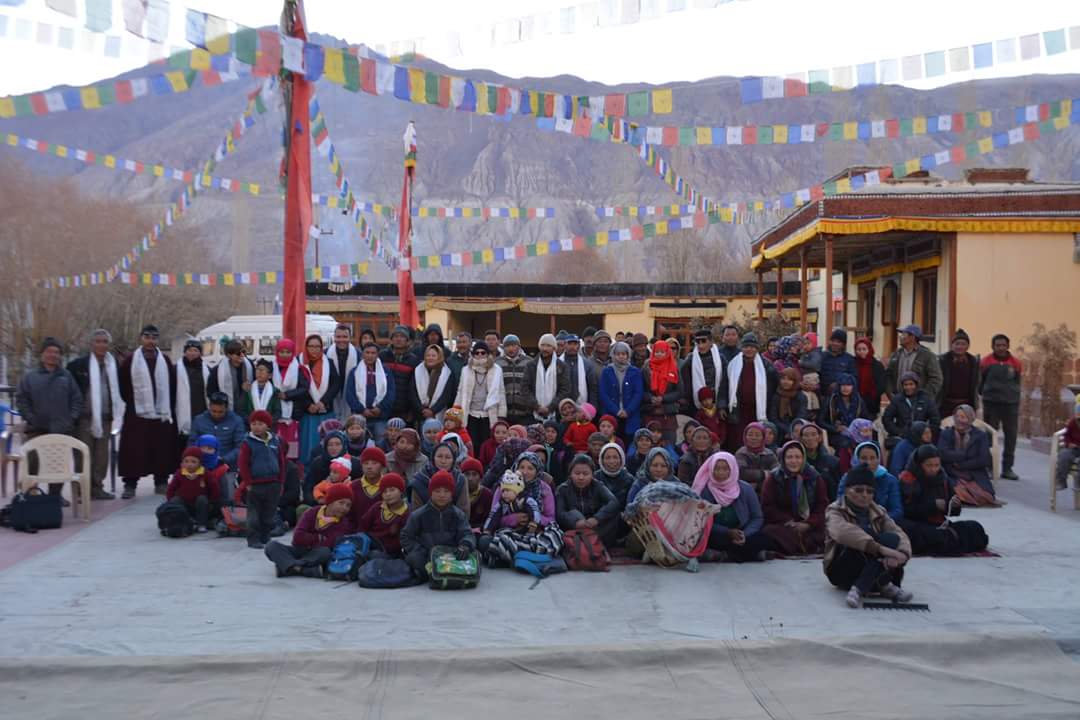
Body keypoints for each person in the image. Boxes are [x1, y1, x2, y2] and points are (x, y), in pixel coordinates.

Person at [824, 463, 913, 608]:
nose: (864, 495)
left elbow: (898, 533)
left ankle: (864, 587)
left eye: (869, 491)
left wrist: (902, 554)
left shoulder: (879, 511)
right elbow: (841, 532)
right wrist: (881, 550)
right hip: (842, 570)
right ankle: (882, 585)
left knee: (892, 538)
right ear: (847, 490)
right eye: (858, 490)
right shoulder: (835, 510)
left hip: (873, 565)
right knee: (864, 534)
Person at [18, 337, 86, 499]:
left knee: (58, 466)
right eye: (49, 351)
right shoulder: (30, 377)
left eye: (56, 352)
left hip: (61, 430)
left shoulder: (66, 376)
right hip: (36, 430)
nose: (53, 355)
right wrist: (31, 418)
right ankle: (31, 495)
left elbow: (77, 400)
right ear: (42, 354)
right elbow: (22, 400)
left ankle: (55, 496)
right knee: (32, 464)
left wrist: (71, 419)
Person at [117, 325, 176, 498]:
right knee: (133, 449)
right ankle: (130, 484)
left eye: (154, 338)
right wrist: (135, 403)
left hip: (161, 412)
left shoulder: (164, 361)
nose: (150, 341)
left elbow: (172, 385)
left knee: (162, 448)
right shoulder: (130, 361)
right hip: (137, 413)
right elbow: (123, 386)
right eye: (147, 337)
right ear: (141, 338)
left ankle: (161, 481)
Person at [897, 444, 987, 556]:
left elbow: (952, 510)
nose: (933, 469)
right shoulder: (908, 479)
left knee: (975, 527)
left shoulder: (942, 479)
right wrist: (933, 505)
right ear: (919, 465)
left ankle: (948, 541)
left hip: (940, 525)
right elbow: (906, 510)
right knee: (912, 531)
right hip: (918, 525)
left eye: (937, 465)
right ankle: (950, 542)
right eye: (929, 465)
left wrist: (954, 506)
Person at [66, 329, 123, 500]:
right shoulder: (78, 365)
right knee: (83, 454)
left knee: (101, 456)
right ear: (92, 344)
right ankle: (81, 489)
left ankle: (97, 487)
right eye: (98, 341)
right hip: (84, 418)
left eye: (105, 342)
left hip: (105, 418)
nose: (101, 345)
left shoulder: (113, 365)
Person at [266, 483, 356, 578]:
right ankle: (303, 569)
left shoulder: (344, 523)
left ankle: (289, 566)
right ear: (330, 501)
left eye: (348, 505)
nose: (344, 508)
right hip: (300, 550)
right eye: (341, 503)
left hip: (316, 555)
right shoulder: (312, 512)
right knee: (271, 546)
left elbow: (329, 543)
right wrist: (318, 538)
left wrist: (309, 538)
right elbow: (297, 537)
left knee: (325, 552)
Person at [692, 451, 769, 563]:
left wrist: (745, 534)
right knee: (704, 539)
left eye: (725, 469)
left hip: (742, 534)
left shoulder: (745, 489)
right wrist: (727, 532)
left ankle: (724, 556)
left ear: (732, 469)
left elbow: (757, 517)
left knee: (763, 538)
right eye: (717, 469)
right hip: (718, 534)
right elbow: (701, 520)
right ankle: (748, 555)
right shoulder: (705, 491)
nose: (721, 473)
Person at [401, 470, 477, 581]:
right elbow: (405, 536)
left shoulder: (458, 514)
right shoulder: (418, 515)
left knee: (472, 555)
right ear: (430, 492)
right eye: (437, 491)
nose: (442, 495)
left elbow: (467, 533)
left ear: (452, 494)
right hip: (428, 556)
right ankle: (435, 574)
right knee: (414, 559)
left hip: (452, 556)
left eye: (446, 491)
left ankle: (447, 575)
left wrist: (465, 545)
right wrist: (419, 550)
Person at [760, 441, 827, 556]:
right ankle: (805, 546)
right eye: (789, 457)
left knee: (829, 531)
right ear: (783, 459)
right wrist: (789, 521)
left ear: (803, 458)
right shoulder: (774, 478)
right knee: (769, 532)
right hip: (785, 524)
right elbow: (768, 507)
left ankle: (797, 547)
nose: (794, 461)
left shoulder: (814, 477)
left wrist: (808, 523)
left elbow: (822, 506)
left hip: (810, 523)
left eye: (798, 457)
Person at [237, 410, 286, 549]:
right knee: (254, 514)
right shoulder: (248, 443)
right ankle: (253, 539)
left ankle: (266, 536)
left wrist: (281, 481)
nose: (256, 427)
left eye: (260, 424)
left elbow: (281, 461)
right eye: (253, 424)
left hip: (273, 483)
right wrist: (247, 482)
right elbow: (243, 464)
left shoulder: (275, 441)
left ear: (268, 426)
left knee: (269, 513)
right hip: (255, 485)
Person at [979, 334, 1022, 480]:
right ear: (993, 346)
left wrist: (1013, 396)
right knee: (990, 436)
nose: (1001, 348)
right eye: (998, 345)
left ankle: (1008, 468)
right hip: (991, 404)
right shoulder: (985, 361)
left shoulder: (1016, 363)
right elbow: (980, 382)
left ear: (1008, 346)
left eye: (1003, 345)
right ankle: (990, 467)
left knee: (1011, 436)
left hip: (1011, 405)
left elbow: (1017, 382)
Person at [188, 392, 246, 496]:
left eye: (221, 412)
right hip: (202, 467)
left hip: (227, 467)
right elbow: (192, 444)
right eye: (213, 411)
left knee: (227, 499)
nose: (217, 414)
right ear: (209, 407)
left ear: (227, 408)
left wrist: (223, 460)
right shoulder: (199, 420)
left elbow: (240, 447)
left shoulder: (237, 421)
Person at [939, 404, 998, 506]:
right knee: (952, 491)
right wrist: (964, 454)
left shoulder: (980, 436)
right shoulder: (947, 433)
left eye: (963, 417)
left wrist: (962, 465)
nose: (959, 420)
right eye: (957, 417)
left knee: (987, 496)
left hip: (974, 474)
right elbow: (942, 453)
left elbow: (984, 459)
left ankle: (964, 498)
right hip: (952, 473)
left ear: (970, 419)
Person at [556, 454, 621, 547]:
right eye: (577, 473)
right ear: (570, 474)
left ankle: (595, 542)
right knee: (574, 513)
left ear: (592, 475)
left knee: (614, 514)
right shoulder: (563, 489)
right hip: (574, 529)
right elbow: (560, 513)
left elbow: (613, 502)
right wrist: (575, 522)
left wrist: (597, 518)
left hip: (594, 527)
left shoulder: (597, 485)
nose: (581, 477)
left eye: (586, 474)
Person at [725, 333, 776, 452]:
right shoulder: (733, 364)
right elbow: (725, 384)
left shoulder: (766, 365)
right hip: (739, 410)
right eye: (746, 346)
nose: (749, 349)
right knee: (738, 440)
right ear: (741, 348)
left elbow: (774, 384)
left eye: (752, 347)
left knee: (757, 438)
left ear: (757, 349)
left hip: (758, 409)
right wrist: (723, 404)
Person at [455, 340, 506, 451]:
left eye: (483, 352)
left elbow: (501, 392)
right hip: (471, 413)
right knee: (472, 444)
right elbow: (460, 391)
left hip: (489, 413)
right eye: (476, 353)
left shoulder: (497, 370)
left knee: (487, 444)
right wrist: (456, 411)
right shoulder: (465, 370)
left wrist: (501, 414)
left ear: (488, 354)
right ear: (472, 354)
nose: (480, 355)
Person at [298, 334, 340, 465]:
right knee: (307, 444)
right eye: (311, 346)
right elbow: (297, 385)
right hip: (307, 413)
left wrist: (323, 401)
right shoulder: (299, 362)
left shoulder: (329, 362)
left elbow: (335, 384)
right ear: (306, 347)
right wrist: (308, 404)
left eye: (317, 346)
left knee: (327, 443)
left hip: (325, 411)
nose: (314, 349)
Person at [837, 442, 902, 520]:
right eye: (864, 458)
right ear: (856, 459)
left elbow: (897, 511)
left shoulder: (890, 480)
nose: (868, 462)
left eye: (872, 458)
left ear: (878, 459)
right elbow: (840, 505)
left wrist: (877, 520)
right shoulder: (847, 478)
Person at [165, 447, 221, 533]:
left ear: (200, 463)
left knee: (202, 499)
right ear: (182, 462)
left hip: (200, 505)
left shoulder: (205, 473)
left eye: (193, 462)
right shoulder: (179, 473)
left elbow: (214, 488)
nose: (189, 464)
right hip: (184, 503)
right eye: (186, 461)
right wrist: (170, 500)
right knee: (176, 500)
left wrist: (212, 502)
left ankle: (201, 524)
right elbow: (171, 488)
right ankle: (180, 522)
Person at [271, 339, 309, 464]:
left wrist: (287, 395)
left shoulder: (298, 368)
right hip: (276, 414)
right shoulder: (271, 367)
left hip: (293, 415)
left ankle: (291, 469)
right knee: (276, 446)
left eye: (288, 352)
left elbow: (304, 388)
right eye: (281, 351)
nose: (284, 354)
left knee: (292, 449)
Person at [409, 441, 470, 515]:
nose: (443, 461)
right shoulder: (420, 480)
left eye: (448, 457)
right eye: (439, 456)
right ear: (433, 458)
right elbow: (416, 514)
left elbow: (464, 512)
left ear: (453, 460)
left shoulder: (459, 480)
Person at [882, 372, 941, 448]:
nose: (908, 387)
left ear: (916, 385)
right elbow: (887, 418)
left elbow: (935, 419)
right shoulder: (897, 400)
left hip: (922, 439)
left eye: (911, 384)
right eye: (905, 385)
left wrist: (926, 434)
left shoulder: (926, 399)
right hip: (902, 438)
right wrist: (898, 432)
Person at [599, 341, 644, 440]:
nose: (621, 356)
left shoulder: (635, 371)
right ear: (613, 355)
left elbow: (638, 393)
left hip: (630, 414)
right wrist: (616, 411)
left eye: (623, 354)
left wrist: (628, 410)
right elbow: (603, 393)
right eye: (618, 354)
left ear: (628, 355)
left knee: (629, 442)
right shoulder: (607, 371)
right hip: (612, 413)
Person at [886, 324, 944, 401]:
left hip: (919, 402)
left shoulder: (927, 355)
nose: (900, 337)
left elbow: (936, 379)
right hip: (899, 400)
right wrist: (890, 394)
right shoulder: (896, 354)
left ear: (912, 337)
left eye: (904, 334)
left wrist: (924, 397)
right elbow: (888, 375)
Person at [358, 473, 410, 556]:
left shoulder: (406, 513)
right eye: (384, 491)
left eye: (392, 490)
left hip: (390, 554)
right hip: (369, 545)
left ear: (401, 491)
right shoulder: (377, 507)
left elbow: (404, 540)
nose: (388, 494)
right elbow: (363, 526)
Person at [640, 338, 681, 445]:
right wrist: (651, 398)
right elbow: (641, 390)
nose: (659, 354)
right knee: (648, 444)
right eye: (657, 351)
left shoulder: (674, 368)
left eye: (662, 352)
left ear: (667, 352)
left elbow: (679, 391)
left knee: (669, 445)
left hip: (668, 413)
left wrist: (663, 398)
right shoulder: (646, 368)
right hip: (650, 412)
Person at [522, 333, 569, 424]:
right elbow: (525, 388)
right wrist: (536, 406)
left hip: (556, 414)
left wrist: (550, 407)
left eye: (548, 346)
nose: (545, 349)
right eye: (542, 345)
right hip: (532, 413)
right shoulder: (531, 365)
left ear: (554, 348)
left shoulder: (562, 366)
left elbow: (565, 390)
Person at [379, 325, 420, 426]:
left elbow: (415, 387)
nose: (398, 339)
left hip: (404, 410)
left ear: (407, 341)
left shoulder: (413, 360)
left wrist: (412, 410)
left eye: (402, 336)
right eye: (396, 336)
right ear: (391, 339)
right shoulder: (382, 356)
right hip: (383, 408)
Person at [819, 373, 869, 456]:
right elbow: (820, 421)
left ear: (853, 386)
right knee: (845, 443)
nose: (845, 388)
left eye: (848, 385)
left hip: (856, 433)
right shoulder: (831, 400)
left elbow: (866, 419)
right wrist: (835, 428)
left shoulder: (859, 401)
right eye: (843, 385)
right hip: (836, 434)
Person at [175, 339, 210, 452]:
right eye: (189, 350)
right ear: (185, 352)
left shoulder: (207, 370)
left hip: (201, 409)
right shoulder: (175, 369)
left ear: (200, 353)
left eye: (195, 350)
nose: (192, 353)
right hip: (181, 412)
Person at [682, 329, 725, 419]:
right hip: (697, 403)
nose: (701, 345)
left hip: (716, 401)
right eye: (698, 342)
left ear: (711, 342)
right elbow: (686, 382)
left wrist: (722, 404)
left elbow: (725, 381)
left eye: (704, 341)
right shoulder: (690, 360)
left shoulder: (720, 358)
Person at [410, 343, 455, 425]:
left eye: (433, 356)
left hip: (438, 413)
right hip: (420, 414)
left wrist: (433, 410)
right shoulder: (417, 370)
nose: (430, 358)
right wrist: (422, 410)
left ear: (439, 357)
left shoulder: (447, 373)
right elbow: (413, 392)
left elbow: (446, 395)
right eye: (428, 355)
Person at [938, 329, 980, 418]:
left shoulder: (973, 361)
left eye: (963, 344)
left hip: (966, 404)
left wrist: (976, 405)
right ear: (952, 345)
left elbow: (976, 384)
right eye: (957, 344)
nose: (960, 347)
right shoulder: (942, 360)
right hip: (945, 404)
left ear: (968, 346)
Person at [207, 340, 254, 415]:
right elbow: (211, 392)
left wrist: (251, 387)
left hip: (247, 409)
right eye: (238, 353)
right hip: (227, 411)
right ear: (229, 355)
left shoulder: (250, 365)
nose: (242, 355)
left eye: (243, 352)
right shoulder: (218, 370)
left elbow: (256, 383)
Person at [324, 325, 359, 421]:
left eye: (345, 337)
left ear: (350, 338)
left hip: (352, 402)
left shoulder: (359, 355)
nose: (341, 340)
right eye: (338, 337)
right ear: (334, 338)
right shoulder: (325, 355)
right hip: (330, 401)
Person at [496, 334, 533, 427]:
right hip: (504, 413)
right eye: (507, 346)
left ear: (519, 347)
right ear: (503, 348)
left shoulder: (529, 362)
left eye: (513, 345)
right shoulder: (497, 363)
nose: (510, 348)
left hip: (525, 413)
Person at [799, 423, 842, 500]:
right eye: (806, 435)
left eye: (813, 434)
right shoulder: (797, 461)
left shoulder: (833, 461)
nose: (810, 438)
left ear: (819, 437)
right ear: (801, 439)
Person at [734, 422, 778, 495]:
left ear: (763, 437)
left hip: (766, 491)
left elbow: (776, 471)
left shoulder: (769, 453)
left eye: (757, 435)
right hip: (745, 492)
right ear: (745, 437)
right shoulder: (741, 453)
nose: (753, 438)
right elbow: (742, 473)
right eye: (750, 435)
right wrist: (764, 474)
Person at [347, 446, 388, 524]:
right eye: (366, 463)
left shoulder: (389, 486)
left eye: (374, 463)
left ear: (382, 466)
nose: (369, 467)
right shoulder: (353, 487)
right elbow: (348, 515)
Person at [768, 367, 807, 442]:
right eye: (783, 379)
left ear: (795, 381)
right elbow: (773, 418)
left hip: (797, 430)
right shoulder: (776, 396)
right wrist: (788, 430)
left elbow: (801, 416)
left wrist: (792, 430)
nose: (785, 382)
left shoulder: (801, 397)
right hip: (780, 430)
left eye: (789, 379)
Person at [560, 334, 599, 409]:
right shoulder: (557, 363)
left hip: (582, 408)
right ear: (565, 345)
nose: (572, 347)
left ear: (579, 346)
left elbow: (593, 388)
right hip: (561, 407)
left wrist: (592, 408)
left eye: (575, 344)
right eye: (569, 344)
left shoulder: (587, 364)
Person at [853, 337, 887, 418]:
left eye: (864, 349)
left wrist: (873, 396)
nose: (861, 352)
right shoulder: (853, 363)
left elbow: (881, 384)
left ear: (869, 349)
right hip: (855, 402)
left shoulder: (877, 365)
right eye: (859, 349)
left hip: (872, 403)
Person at [596, 441, 635, 509]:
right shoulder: (595, 478)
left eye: (615, 457)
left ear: (621, 459)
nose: (611, 461)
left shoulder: (630, 479)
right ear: (601, 460)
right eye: (607, 458)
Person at [819, 329, 857, 396]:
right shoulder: (821, 356)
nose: (835, 343)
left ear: (843, 344)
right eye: (833, 341)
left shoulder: (849, 359)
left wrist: (838, 384)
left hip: (841, 396)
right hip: (822, 396)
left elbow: (853, 378)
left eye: (838, 342)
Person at [460, 457, 492, 529]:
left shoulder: (487, 495)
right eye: (467, 474)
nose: (470, 478)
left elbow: (489, 520)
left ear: (480, 477)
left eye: (474, 474)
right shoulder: (456, 493)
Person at [1055, 401, 1080, 490]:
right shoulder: (1073, 422)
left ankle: (1078, 483)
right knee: (1063, 455)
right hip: (1074, 447)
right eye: (1078, 418)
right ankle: (1061, 480)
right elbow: (1067, 435)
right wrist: (1069, 443)